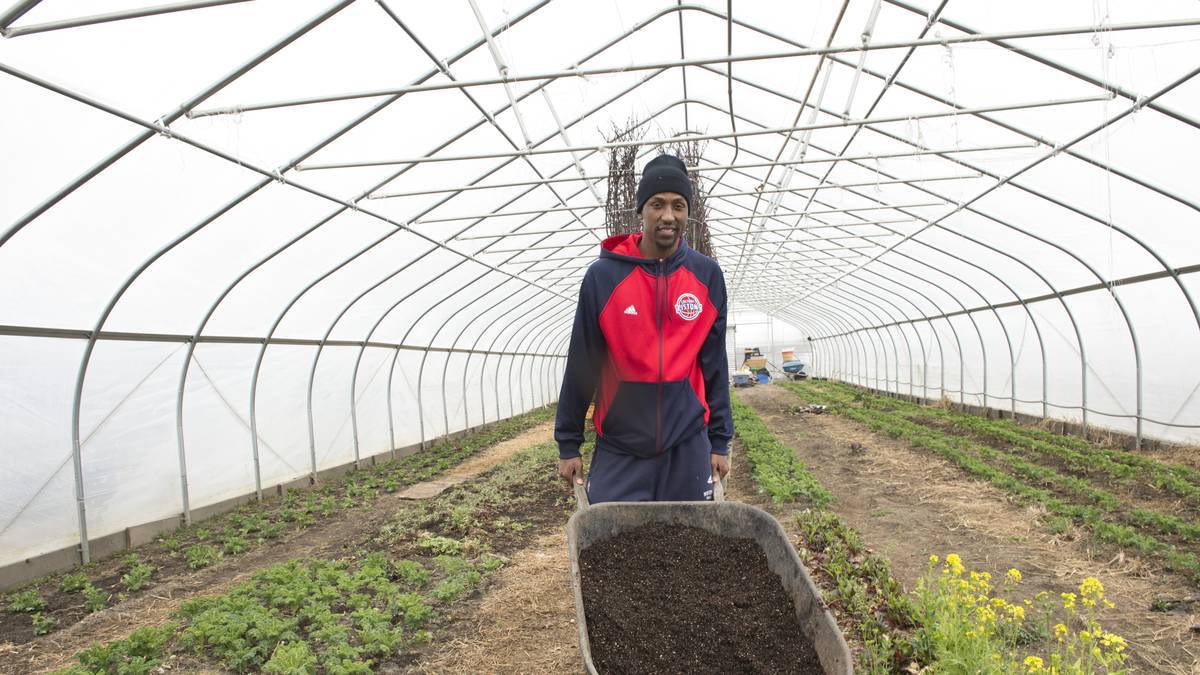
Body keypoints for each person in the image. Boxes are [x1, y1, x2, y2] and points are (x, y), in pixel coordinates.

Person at [555, 154, 732, 501]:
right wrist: (568, 442)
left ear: (687, 212)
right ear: (641, 210)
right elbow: (582, 363)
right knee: (612, 546)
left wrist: (720, 440)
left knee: (693, 544)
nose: (669, 216)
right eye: (657, 204)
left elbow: (714, 365)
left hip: (687, 442)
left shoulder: (707, 276)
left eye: (679, 206)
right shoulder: (603, 277)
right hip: (621, 446)